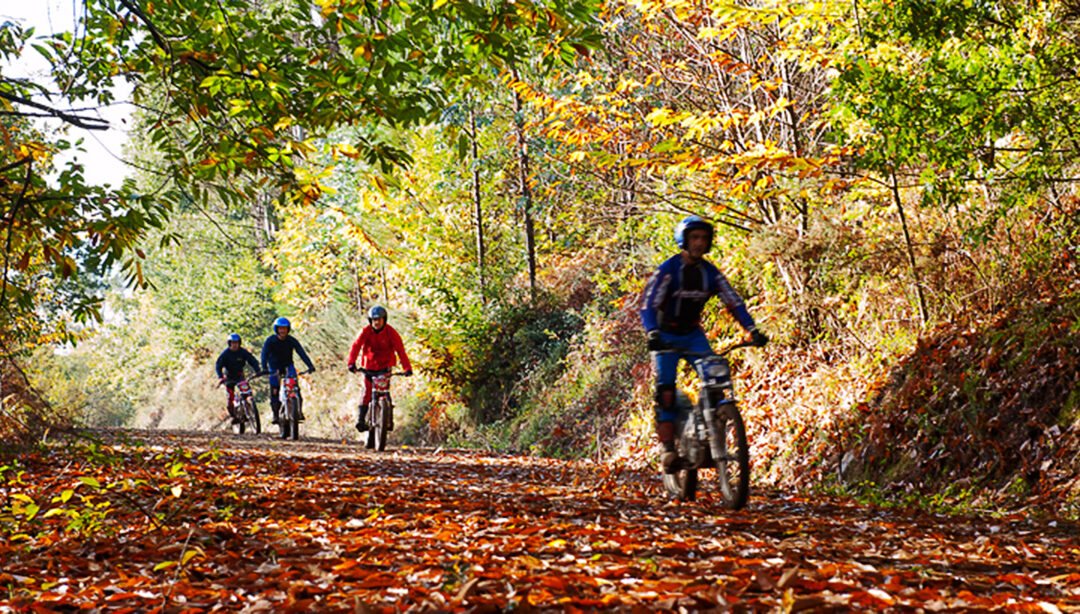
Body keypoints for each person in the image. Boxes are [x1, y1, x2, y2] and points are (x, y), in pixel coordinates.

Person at [640, 215, 768, 473]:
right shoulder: (667, 271)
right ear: (684, 240)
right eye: (695, 237)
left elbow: (733, 302)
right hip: (665, 336)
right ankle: (668, 451)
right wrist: (652, 331)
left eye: (704, 238)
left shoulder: (710, 273)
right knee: (666, 393)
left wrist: (752, 329)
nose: (699, 243)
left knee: (716, 382)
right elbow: (648, 304)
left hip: (693, 335)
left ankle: (709, 436)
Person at [347, 305, 413, 433]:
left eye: (379, 319)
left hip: (385, 368)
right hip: (369, 368)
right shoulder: (365, 331)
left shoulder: (391, 333)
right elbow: (356, 347)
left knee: (385, 394)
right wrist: (351, 363)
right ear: (370, 321)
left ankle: (388, 419)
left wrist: (407, 368)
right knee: (367, 393)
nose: (376, 322)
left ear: (384, 320)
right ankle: (361, 420)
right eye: (374, 320)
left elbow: (401, 351)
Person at [260, 317, 316, 424]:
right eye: (280, 329)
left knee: (295, 388)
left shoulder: (291, 340)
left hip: (288, 366)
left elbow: (301, 353)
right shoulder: (270, 341)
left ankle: (298, 411)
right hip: (274, 368)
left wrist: (310, 365)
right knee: (274, 391)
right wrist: (264, 368)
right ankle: (275, 415)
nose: (282, 331)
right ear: (276, 329)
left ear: (288, 329)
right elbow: (264, 355)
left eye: (285, 329)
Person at [214, 333, 260, 423]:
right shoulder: (225, 354)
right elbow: (218, 366)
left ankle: (248, 408)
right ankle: (234, 416)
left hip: (240, 376)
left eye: (237, 343)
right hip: (228, 378)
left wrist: (257, 370)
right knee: (230, 398)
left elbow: (252, 360)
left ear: (239, 343)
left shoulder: (243, 352)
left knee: (246, 392)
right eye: (233, 343)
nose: (235, 345)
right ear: (229, 343)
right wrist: (220, 377)